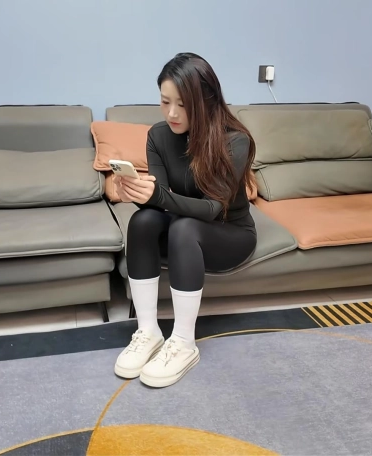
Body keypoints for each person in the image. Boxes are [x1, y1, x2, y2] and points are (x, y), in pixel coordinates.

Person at [112, 52, 258, 388]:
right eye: (165, 102)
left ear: (206, 101)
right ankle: (148, 332)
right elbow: (160, 199)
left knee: (184, 226)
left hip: (230, 234)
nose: (172, 113)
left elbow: (212, 208)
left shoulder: (236, 141)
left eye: (183, 104)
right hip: (185, 230)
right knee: (142, 221)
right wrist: (136, 192)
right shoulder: (158, 136)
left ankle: (183, 342)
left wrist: (157, 196)